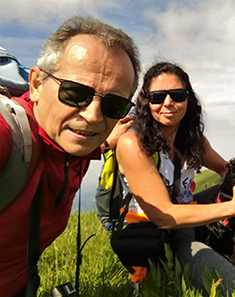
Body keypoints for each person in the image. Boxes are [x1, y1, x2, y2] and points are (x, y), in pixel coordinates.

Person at [0, 16, 140, 297]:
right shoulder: (8, 135)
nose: (92, 116)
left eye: (114, 104)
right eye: (75, 93)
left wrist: (105, 142)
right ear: (37, 84)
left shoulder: (75, 145)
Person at [115, 62, 235, 296]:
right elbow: (164, 216)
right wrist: (234, 206)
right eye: (157, 97)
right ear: (146, 101)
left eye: (177, 95)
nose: (168, 103)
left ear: (188, 99)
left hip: (187, 215)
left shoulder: (192, 139)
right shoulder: (132, 144)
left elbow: (224, 168)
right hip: (158, 234)